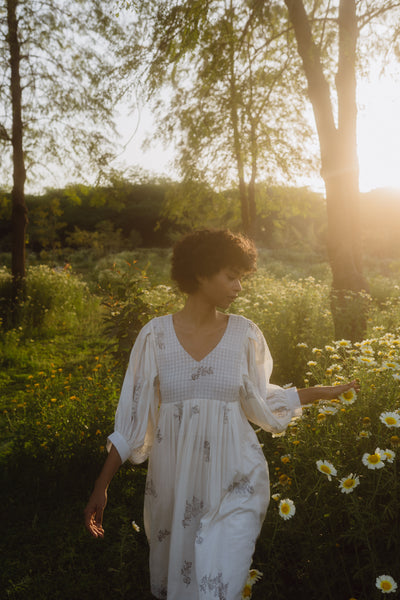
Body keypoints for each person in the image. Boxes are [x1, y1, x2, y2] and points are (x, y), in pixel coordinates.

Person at [84, 229, 358, 600]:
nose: (239, 288)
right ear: (200, 274)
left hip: (236, 481)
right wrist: (102, 485)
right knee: (185, 581)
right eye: (231, 277)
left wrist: (320, 393)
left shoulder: (244, 335)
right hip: (175, 487)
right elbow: (133, 420)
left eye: (241, 277)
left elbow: (262, 400)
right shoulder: (156, 337)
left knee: (221, 580)